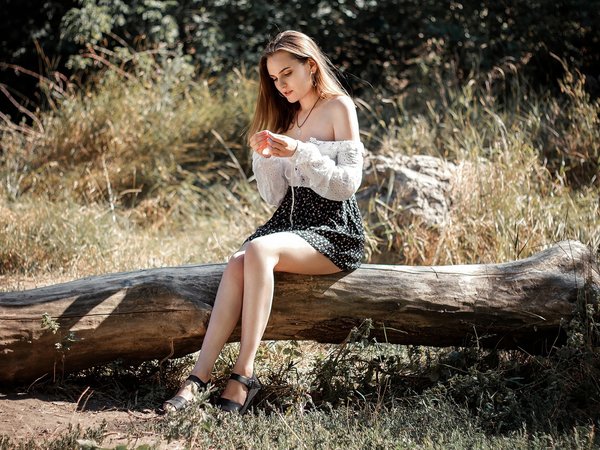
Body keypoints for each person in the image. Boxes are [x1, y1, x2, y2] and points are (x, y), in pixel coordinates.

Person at [162, 30, 365, 414]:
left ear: (311, 65)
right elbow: (274, 197)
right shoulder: (286, 115)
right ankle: (198, 378)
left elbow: (347, 185)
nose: (281, 84)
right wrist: (267, 158)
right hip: (289, 224)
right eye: (274, 78)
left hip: (333, 228)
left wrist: (301, 151)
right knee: (238, 262)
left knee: (256, 249)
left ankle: (243, 374)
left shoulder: (339, 107)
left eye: (287, 73)